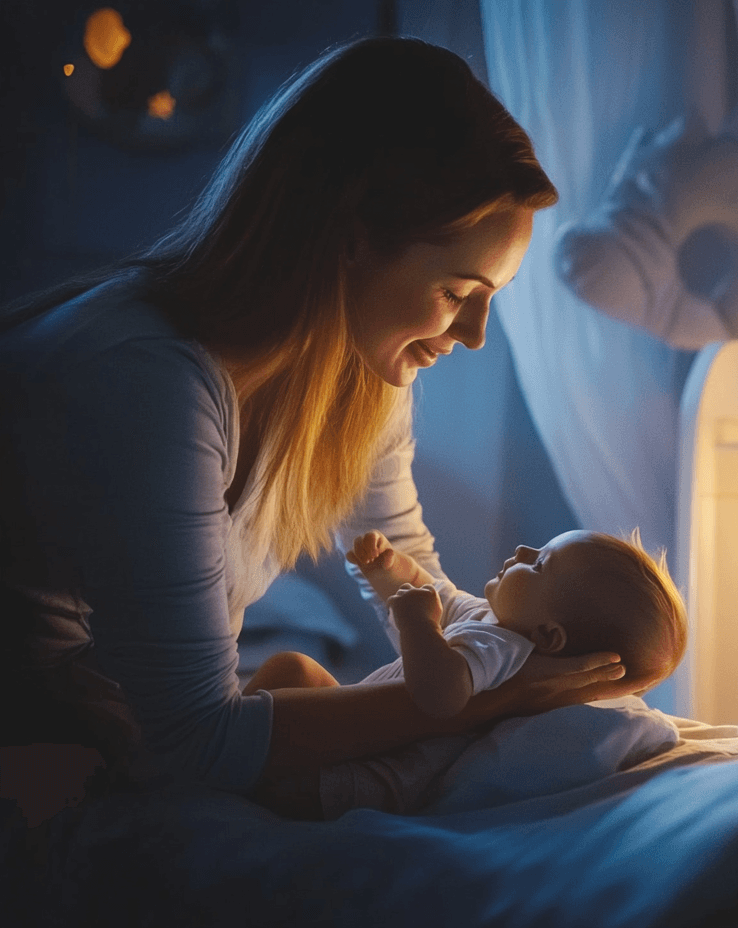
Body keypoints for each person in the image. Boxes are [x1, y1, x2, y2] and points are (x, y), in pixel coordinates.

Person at [0, 37, 634, 822]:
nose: (474, 332)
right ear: (348, 239)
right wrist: (487, 702)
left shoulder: (359, 379)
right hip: (40, 745)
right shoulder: (147, 381)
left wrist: (534, 656)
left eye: (491, 295)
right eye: (456, 289)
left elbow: (415, 590)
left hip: (113, 726)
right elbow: (198, 742)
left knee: (301, 677)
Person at [248, 528, 688, 720]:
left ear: (549, 636)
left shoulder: (502, 652)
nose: (521, 550)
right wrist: (391, 570)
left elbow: (442, 695)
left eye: (539, 565)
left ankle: (214, 770)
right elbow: (441, 597)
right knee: (295, 673)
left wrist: (419, 627)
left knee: (291, 672)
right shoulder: (492, 622)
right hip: (354, 731)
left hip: (359, 765)